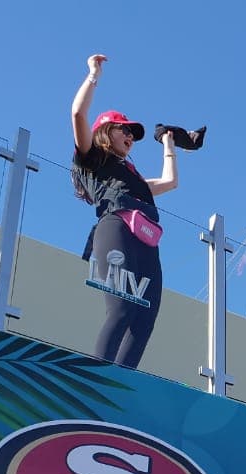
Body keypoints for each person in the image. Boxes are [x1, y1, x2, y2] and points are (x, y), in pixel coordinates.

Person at [70, 54, 179, 369]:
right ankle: (96, 377)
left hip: (147, 239)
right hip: (116, 227)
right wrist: (93, 76)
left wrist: (169, 143)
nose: (131, 136)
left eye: (133, 133)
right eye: (124, 130)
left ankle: (121, 383)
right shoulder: (94, 157)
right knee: (121, 308)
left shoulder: (134, 176)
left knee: (144, 317)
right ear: (105, 131)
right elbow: (78, 113)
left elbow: (171, 182)